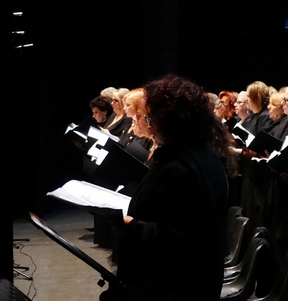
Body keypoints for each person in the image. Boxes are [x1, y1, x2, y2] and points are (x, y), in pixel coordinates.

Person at [101, 74, 236, 301]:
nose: (148, 124)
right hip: (193, 279)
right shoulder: (200, 153)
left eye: (150, 117)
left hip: (175, 285)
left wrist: (128, 222)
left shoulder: (179, 167)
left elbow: (175, 239)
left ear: (170, 120)